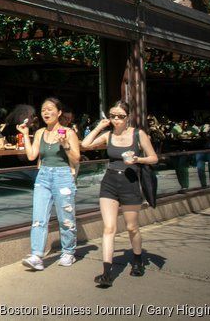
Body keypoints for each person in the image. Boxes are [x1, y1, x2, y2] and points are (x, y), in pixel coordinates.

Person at [81, 100, 158, 288]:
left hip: (130, 183)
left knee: (132, 227)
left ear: (128, 117)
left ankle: (138, 259)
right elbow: (85, 144)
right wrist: (99, 126)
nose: (116, 120)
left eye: (120, 116)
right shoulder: (108, 135)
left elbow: (154, 158)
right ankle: (106, 273)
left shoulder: (138, 134)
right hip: (109, 183)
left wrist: (138, 159)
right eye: (113, 116)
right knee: (109, 228)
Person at [19, 97, 81, 271]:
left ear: (59, 112)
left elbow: (76, 158)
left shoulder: (68, 132)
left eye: (50, 109)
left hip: (63, 175)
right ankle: (36, 255)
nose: (46, 112)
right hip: (43, 176)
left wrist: (65, 144)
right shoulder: (40, 133)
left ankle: (68, 252)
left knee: (66, 218)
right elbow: (31, 156)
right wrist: (25, 135)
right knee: (38, 218)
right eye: (43, 110)